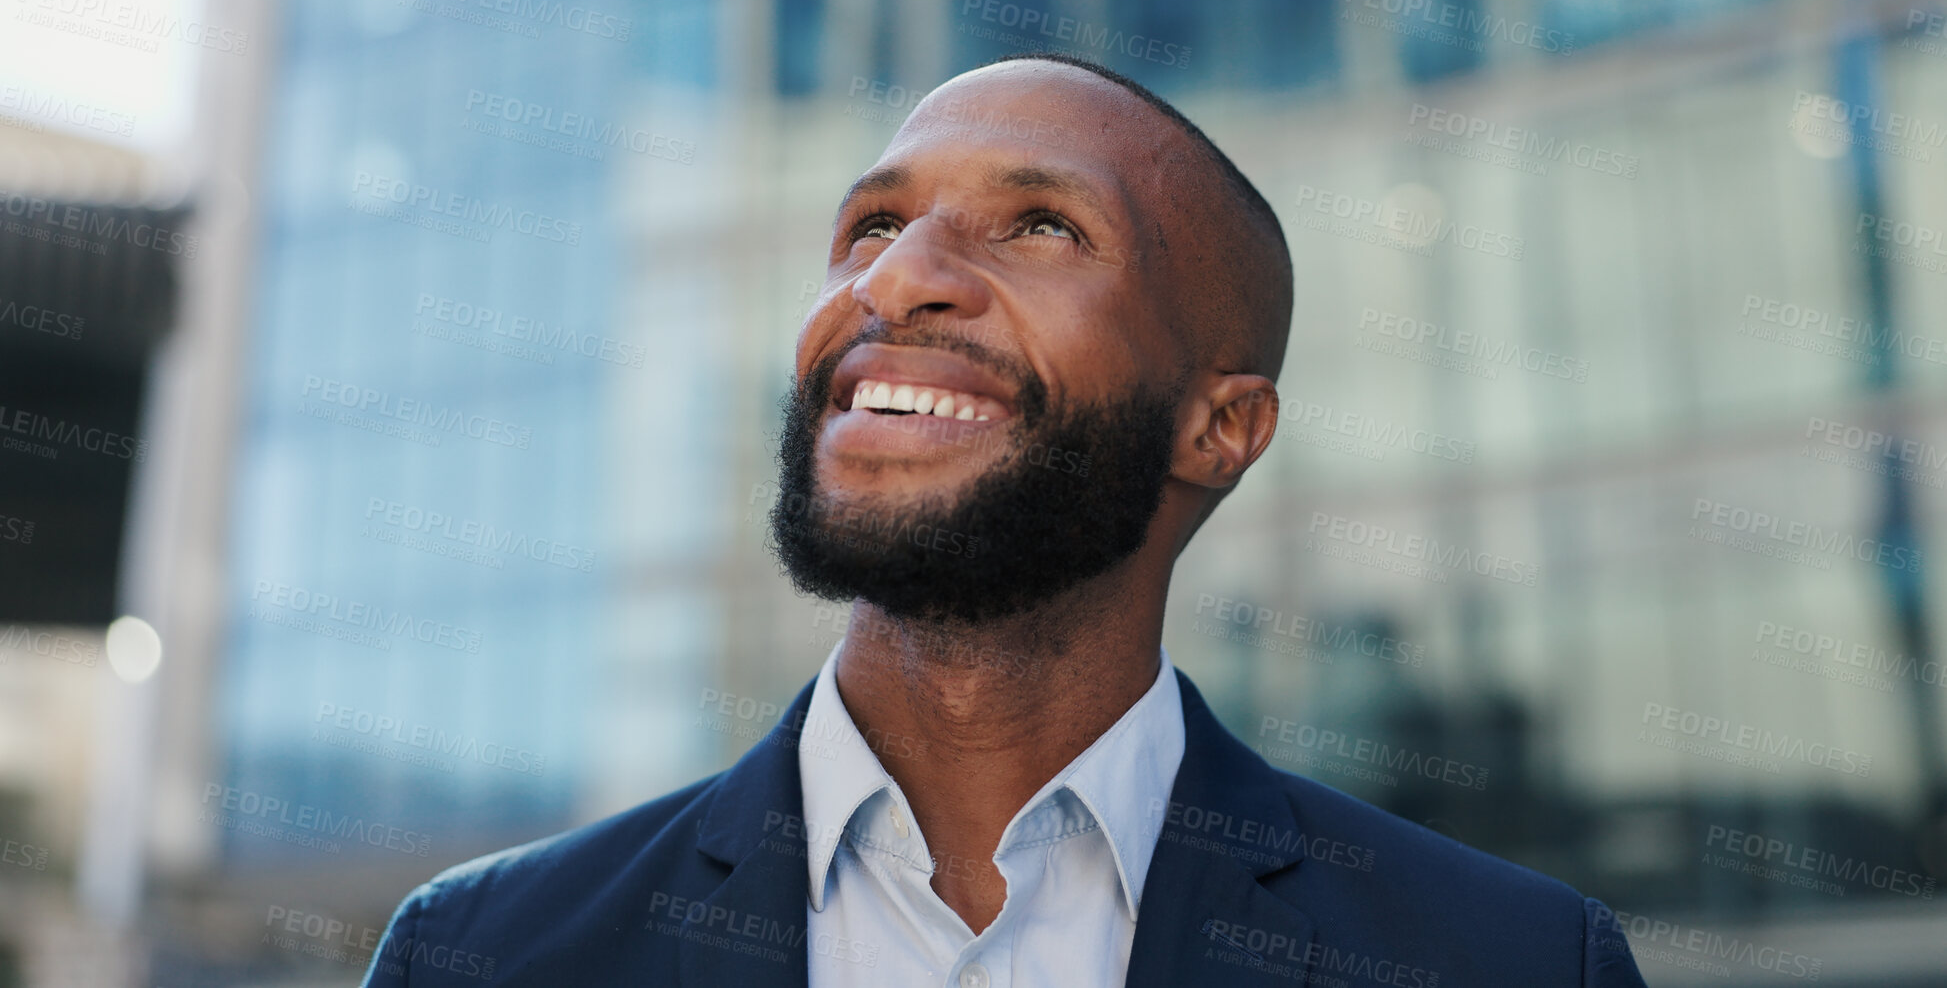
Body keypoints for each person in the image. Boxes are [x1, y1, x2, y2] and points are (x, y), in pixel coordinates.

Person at [363, 53, 1648, 988]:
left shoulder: (1517, 963)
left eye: (1042, 225)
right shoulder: (480, 956)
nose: (897, 277)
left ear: (1223, 426)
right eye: (871, 225)